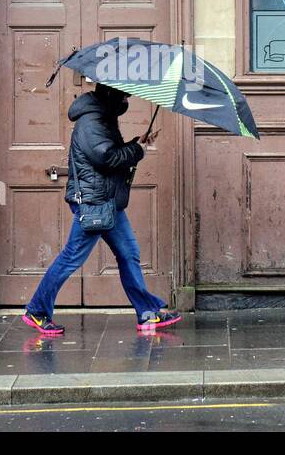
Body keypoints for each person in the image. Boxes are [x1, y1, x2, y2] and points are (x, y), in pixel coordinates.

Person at [22, 83, 181, 335]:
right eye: (124, 95)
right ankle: (37, 310)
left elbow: (111, 153)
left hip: (108, 201)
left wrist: (136, 143)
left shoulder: (103, 118)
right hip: (94, 202)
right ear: (111, 94)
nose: (127, 100)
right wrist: (137, 150)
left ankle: (147, 313)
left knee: (129, 253)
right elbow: (106, 159)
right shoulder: (92, 122)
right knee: (71, 257)